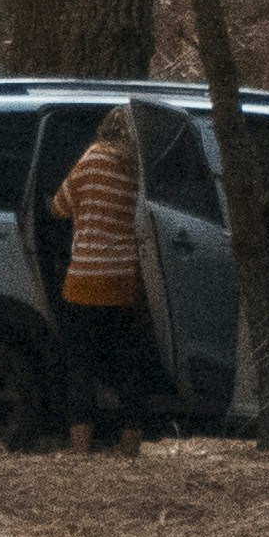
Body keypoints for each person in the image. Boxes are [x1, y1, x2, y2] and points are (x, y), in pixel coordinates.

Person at [48, 120, 162, 440]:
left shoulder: (91, 159)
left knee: (81, 368)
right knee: (128, 366)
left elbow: (59, 206)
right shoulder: (137, 172)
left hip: (83, 281)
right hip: (123, 281)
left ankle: (81, 447)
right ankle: (130, 444)